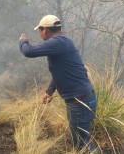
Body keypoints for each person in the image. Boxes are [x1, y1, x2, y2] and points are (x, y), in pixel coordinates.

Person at [18, 15, 97, 152]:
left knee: (81, 144)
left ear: (46, 30)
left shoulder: (57, 43)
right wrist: (49, 91)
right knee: (82, 139)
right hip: (85, 99)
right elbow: (60, 73)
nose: (40, 33)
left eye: (40, 30)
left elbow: (28, 52)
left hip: (79, 103)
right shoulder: (64, 41)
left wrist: (23, 41)